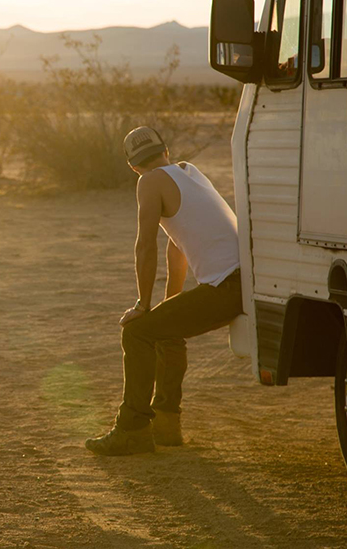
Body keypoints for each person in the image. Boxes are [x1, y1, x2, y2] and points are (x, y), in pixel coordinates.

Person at [85, 127, 242, 456]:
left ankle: (133, 429)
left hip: (227, 286)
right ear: (166, 151)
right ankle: (167, 425)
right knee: (166, 329)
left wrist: (143, 305)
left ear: (133, 167)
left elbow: (145, 246)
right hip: (245, 281)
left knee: (137, 333)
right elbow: (177, 246)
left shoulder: (149, 181)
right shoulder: (190, 172)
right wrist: (170, 301)